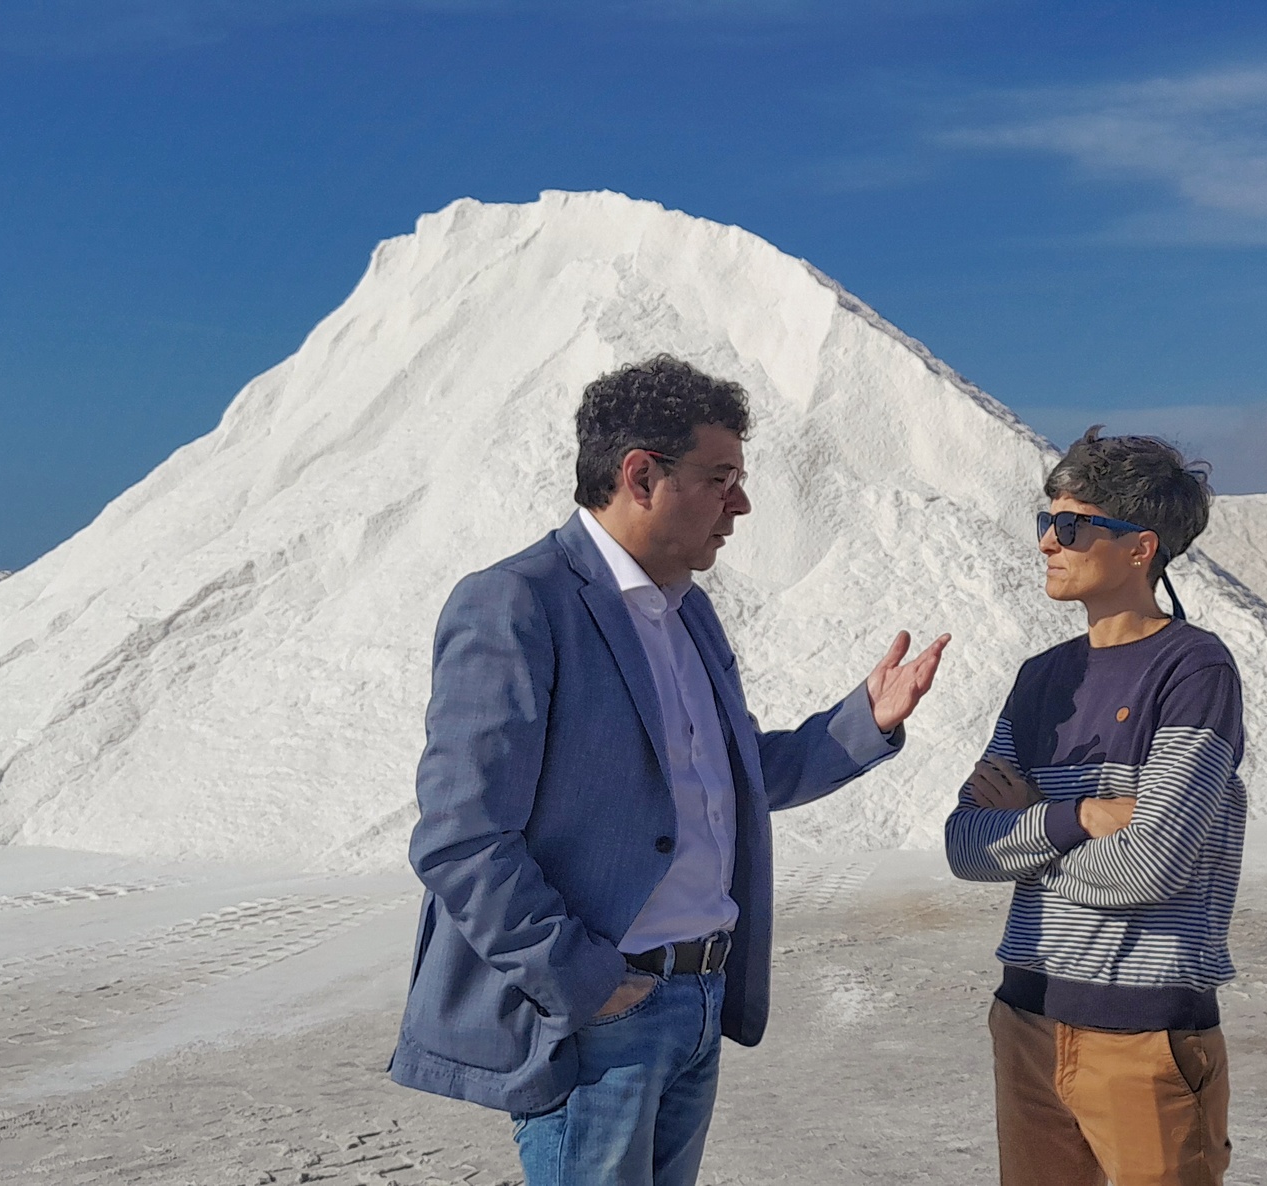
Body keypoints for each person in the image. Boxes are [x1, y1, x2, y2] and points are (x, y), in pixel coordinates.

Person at [388, 354, 950, 1186]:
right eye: (721, 479)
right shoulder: (519, 603)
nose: (741, 504)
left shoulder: (688, 612)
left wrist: (865, 723)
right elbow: (461, 836)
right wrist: (581, 979)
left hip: (696, 1002)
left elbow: (734, 774)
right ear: (641, 476)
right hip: (603, 1016)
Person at [945, 428, 1241, 1186]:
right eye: (1046, 521)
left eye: (1072, 527)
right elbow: (965, 845)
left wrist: (1029, 826)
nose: (1048, 541)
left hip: (1145, 1036)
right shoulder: (1040, 679)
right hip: (1026, 1020)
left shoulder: (1193, 670)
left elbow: (1152, 866)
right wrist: (1073, 816)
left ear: (1141, 549)